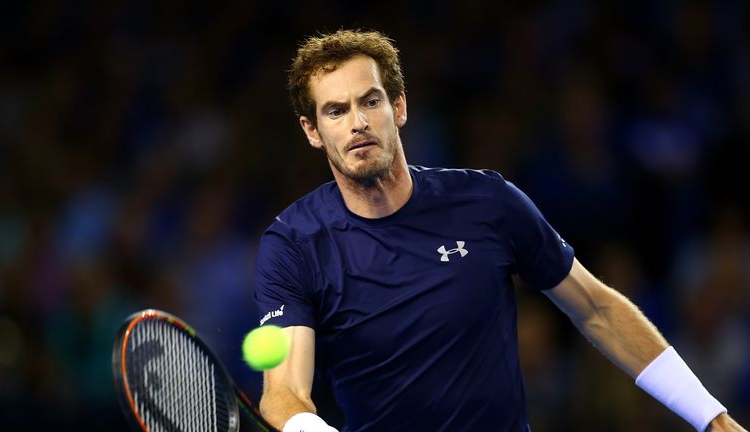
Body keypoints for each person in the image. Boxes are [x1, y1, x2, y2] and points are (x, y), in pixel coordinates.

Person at [253, 29, 746, 432]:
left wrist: (714, 419)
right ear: (313, 131)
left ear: (399, 108)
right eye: (336, 111)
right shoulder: (294, 244)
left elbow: (597, 309)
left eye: (371, 101)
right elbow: (284, 395)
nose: (358, 122)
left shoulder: (487, 202)